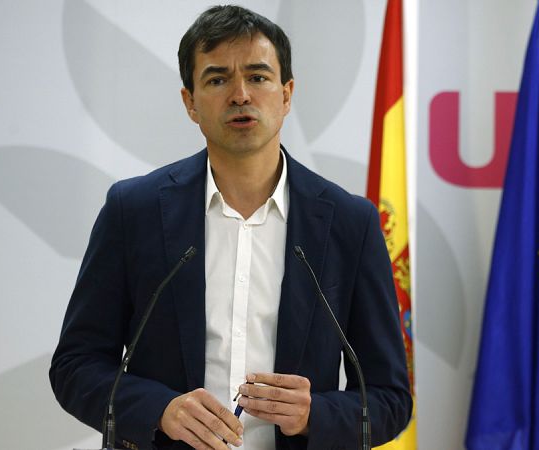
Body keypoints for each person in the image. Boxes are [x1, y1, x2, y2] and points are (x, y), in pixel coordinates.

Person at [49, 5, 411, 450]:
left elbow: (390, 398)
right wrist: (159, 410)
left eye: (258, 77)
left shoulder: (349, 223)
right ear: (190, 102)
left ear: (286, 94)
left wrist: (314, 415)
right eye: (218, 80)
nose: (240, 95)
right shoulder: (134, 211)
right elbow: (75, 366)